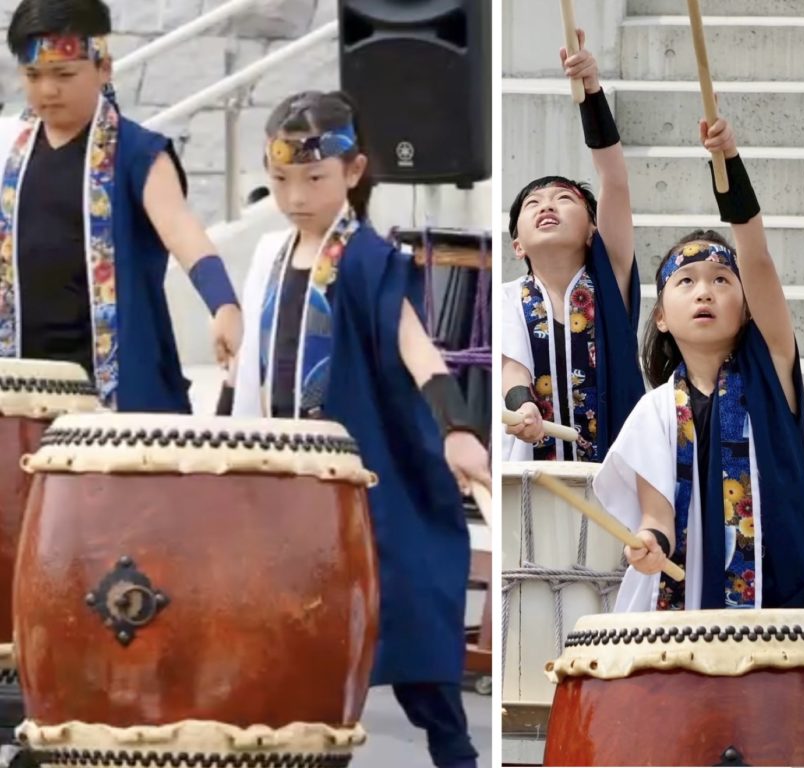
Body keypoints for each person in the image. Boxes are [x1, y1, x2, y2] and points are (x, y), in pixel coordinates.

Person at [228, 90, 488, 768]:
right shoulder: (267, 255)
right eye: (281, 178)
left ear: (354, 170)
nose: (296, 196)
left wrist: (457, 429)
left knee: (407, 617)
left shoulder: (370, 258)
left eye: (314, 178)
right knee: (285, 644)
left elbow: (417, 349)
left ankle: (455, 752)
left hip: (359, 482)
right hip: (280, 482)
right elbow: (252, 373)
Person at [594, 113, 804, 614]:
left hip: (788, 609)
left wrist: (726, 161)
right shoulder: (654, 412)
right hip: (691, 610)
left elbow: (757, 256)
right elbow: (657, 516)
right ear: (661, 317)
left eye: (721, 280)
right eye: (686, 281)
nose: (704, 291)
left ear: (748, 307)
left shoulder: (771, 373)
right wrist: (649, 544)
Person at [0, 0, 242, 411]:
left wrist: (223, 302)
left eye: (64, 74)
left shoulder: (138, 153)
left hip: (118, 389)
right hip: (24, 384)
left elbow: (180, 229)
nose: (47, 90)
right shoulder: (9, 149)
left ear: (104, 68)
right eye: (33, 75)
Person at [501, 28, 644, 462]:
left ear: (591, 230)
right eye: (533, 204)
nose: (547, 205)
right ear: (518, 246)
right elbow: (511, 368)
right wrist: (521, 404)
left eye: (564, 199)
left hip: (613, 478)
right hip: (532, 480)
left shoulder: (611, 280)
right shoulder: (505, 300)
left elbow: (614, 180)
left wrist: (592, 92)